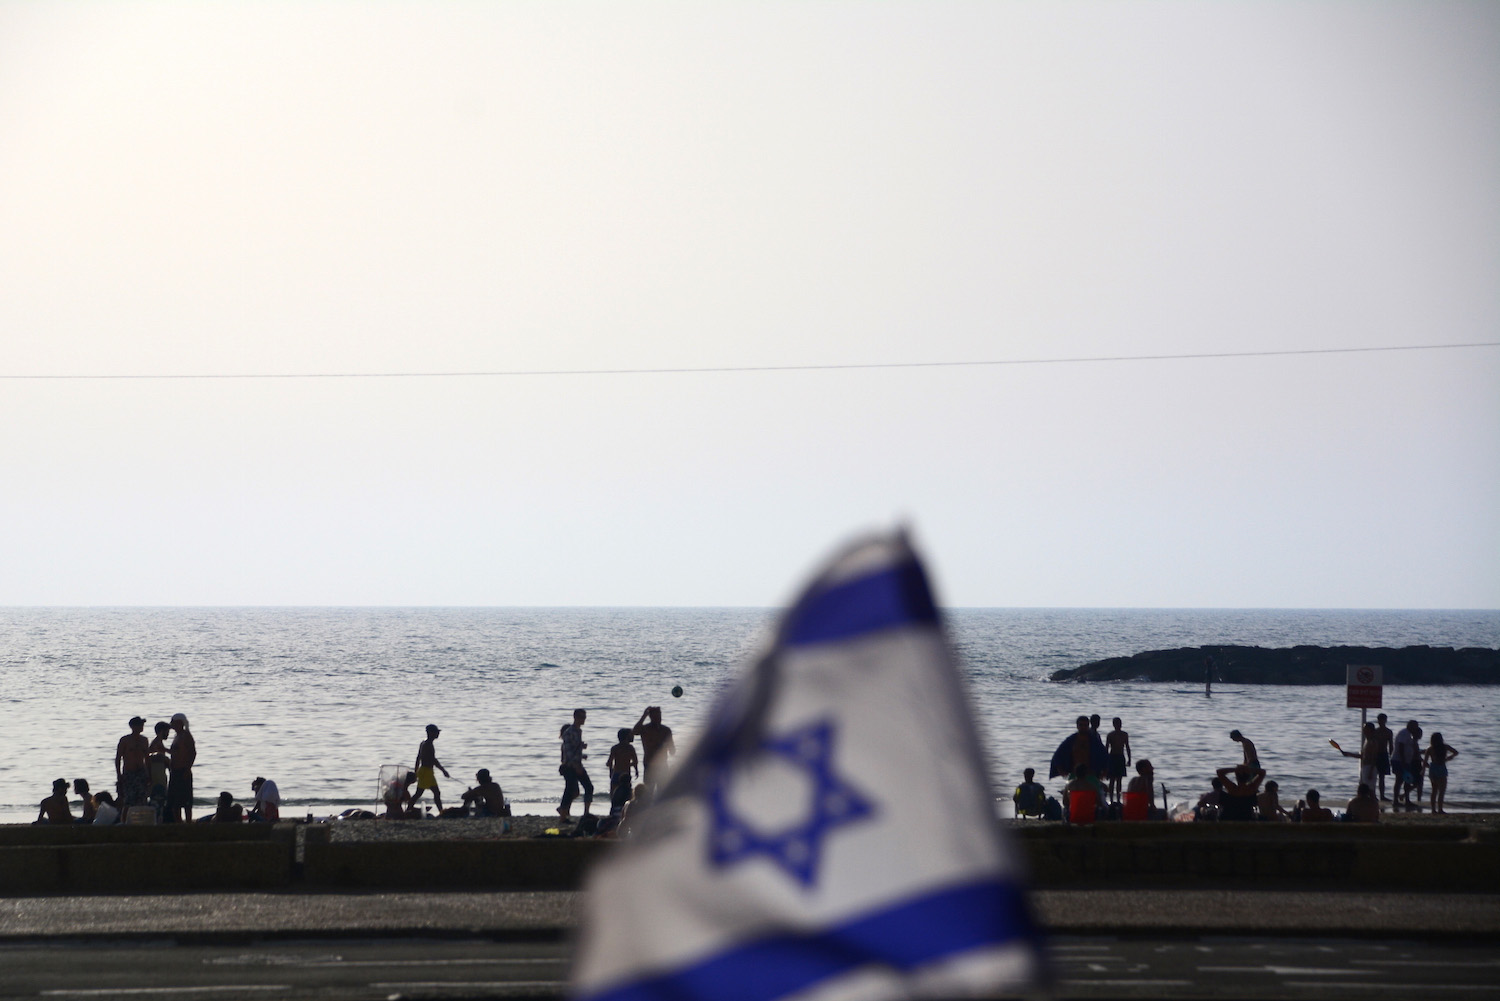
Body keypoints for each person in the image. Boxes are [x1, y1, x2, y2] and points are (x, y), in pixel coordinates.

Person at [558, 709, 593, 818]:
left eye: (584, 717)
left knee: (588, 787)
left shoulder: (578, 731)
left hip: (577, 764)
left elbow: (574, 749)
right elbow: (568, 752)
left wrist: (581, 752)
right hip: (570, 766)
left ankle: (586, 813)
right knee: (570, 790)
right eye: (581, 717)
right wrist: (576, 765)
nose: (583, 719)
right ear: (575, 717)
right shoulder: (569, 732)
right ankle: (563, 815)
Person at [632, 706, 676, 791]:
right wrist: (644, 716)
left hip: (662, 764)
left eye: (660, 715)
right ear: (651, 717)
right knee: (648, 790)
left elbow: (672, 751)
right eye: (656, 716)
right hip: (649, 763)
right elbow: (634, 732)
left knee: (663, 790)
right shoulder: (645, 729)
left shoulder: (666, 730)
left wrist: (667, 746)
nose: (659, 718)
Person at [1049, 716, 1107, 780]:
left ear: (1088, 726)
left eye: (1085, 725)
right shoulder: (1071, 740)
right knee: (1068, 789)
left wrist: (1104, 772)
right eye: (1081, 725)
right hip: (1074, 774)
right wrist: (1060, 770)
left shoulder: (1094, 741)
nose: (1083, 727)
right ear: (1077, 726)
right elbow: (1058, 756)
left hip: (1091, 774)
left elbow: (1105, 756)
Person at [411, 724, 451, 815]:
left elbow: (418, 758)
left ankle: (441, 811)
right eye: (436, 732)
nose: (438, 734)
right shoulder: (428, 745)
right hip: (426, 772)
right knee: (425, 793)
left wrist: (416, 771)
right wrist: (443, 770)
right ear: (431, 733)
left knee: (428, 793)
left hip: (425, 771)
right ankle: (441, 812)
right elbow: (433, 760)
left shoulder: (423, 743)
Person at [114, 717, 151, 810]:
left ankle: (140, 821)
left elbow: (147, 758)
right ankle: (125, 822)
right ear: (133, 726)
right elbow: (118, 758)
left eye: (142, 725)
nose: (142, 727)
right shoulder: (125, 740)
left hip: (141, 772)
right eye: (139, 725)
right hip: (129, 772)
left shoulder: (144, 740)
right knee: (128, 800)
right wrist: (119, 775)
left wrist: (149, 774)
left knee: (142, 799)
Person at [166, 713, 197, 823]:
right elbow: (176, 752)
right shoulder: (177, 736)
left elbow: (193, 753)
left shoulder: (186, 735)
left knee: (186, 802)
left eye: (173, 722)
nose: (171, 724)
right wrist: (164, 750)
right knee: (175, 802)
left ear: (179, 722)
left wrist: (188, 768)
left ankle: (188, 823)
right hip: (175, 771)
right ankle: (179, 823)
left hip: (183, 771)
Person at [1332, 721, 1379, 790]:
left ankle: (1372, 801)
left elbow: (1374, 758)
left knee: (1370, 790)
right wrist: (1348, 754)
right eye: (1364, 729)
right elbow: (1362, 756)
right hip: (1365, 767)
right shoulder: (1367, 741)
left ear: (1370, 730)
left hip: (1370, 768)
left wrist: (1370, 772)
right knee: (1364, 789)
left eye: (1365, 729)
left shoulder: (1373, 742)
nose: (1364, 731)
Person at [606, 728, 639, 818]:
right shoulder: (630, 748)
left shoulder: (615, 748)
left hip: (616, 773)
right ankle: (625, 813)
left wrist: (611, 772)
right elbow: (635, 761)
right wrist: (635, 769)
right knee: (627, 796)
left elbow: (609, 763)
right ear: (627, 736)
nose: (632, 736)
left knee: (613, 796)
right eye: (631, 735)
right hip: (625, 774)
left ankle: (612, 814)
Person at [1424, 733, 1458, 815]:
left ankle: (1433, 810)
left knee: (1434, 790)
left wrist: (1426, 768)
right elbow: (1455, 752)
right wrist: (1448, 758)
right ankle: (1440, 809)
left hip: (1433, 768)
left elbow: (1425, 762)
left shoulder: (1430, 749)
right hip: (1441, 767)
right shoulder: (1445, 747)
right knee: (1441, 791)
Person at [1392, 719, 1421, 810]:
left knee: (1406, 780)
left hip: (1405, 761)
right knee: (1399, 780)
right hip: (1399, 760)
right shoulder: (1405, 733)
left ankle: (1406, 800)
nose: (1416, 729)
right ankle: (1396, 800)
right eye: (1415, 726)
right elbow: (1401, 746)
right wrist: (1403, 761)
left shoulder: (1408, 734)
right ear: (1410, 726)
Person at [147, 721, 172, 820]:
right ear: (162, 731)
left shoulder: (159, 743)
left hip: (160, 772)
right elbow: (150, 753)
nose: (168, 734)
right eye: (167, 732)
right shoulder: (157, 742)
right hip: (157, 774)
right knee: (159, 795)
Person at [1104, 718, 1131, 804]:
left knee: (1119, 780)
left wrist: (1129, 759)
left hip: (1120, 757)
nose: (1118, 725)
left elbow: (1127, 747)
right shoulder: (1110, 735)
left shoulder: (1124, 734)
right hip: (1112, 757)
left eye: (1119, 723)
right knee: (1112, 780)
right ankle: (1111, 799)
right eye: (1116, 723)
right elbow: (1106, 748)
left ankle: (1118, 799)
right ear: (1114, 724)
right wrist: (1105, 760)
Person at [1374, 713, 1395, 801]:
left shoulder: (1388, 732)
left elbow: (1390, 746)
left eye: (1383, 720)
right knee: (1374, 776)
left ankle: (1382, 796)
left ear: (1385, 721)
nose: (1381, 722)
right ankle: (1373, 795)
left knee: (1382, 777)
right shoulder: (1375, 731)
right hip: (1375, 754)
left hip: (1383, 754)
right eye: (1380, 720)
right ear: (1378, 721)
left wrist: (1392, 757)